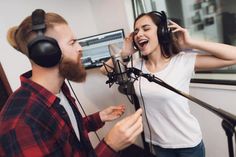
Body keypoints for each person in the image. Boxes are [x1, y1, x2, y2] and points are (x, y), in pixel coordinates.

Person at [0, 9, 143, 157]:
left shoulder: (59, 90)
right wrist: (110, 145)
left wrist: (97, 118)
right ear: (46, 52)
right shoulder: (21, 124)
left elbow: (64, 134)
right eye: (72, 42)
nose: (80, 48)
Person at [100, 11, 236, 157]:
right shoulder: (136, 65)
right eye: (136, 31)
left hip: (187, 144)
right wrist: (123, 53)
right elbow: (104, 70)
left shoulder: (182, 61)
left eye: (146, 29)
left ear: (162, 32)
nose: (139, 34)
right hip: (159, 145)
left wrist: (190, 43)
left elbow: (233, 56)